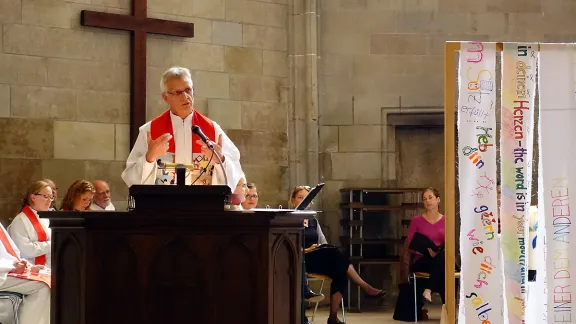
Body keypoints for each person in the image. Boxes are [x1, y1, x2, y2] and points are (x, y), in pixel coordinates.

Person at [121, 66, 243, 191]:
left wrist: (220, 160)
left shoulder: (212, 130)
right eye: (178, 92)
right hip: (162, 207)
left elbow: (235, 175)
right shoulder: (150, 131)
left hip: (202, 207)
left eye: (188, 90)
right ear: (165, 97)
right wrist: (149, 158)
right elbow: (131, 179)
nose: (185, 96)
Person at [291, 186, 386, 324]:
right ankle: (364, 287)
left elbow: (323, 242)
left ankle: (333, 317)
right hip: (302, 259)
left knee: (340, 267)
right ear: (293, 200)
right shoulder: (289, 220)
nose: (305, 202)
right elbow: (289, 247)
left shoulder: (313, 221)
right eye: (301, 198)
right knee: (339, 257)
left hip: (317, 257)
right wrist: (307, 250)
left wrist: (318, 247)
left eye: (308, 199)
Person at [0, 222, 50, 324]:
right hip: (3, 272)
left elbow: (10, 253)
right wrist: (13, 268)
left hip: (5, 270)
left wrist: (27, 266)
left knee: (48, 276)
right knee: (42, 286)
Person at [405, 187, 446, 303]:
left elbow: (450, 244)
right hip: (422, 259)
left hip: (440, 257)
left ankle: (428, 290)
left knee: (442, 258)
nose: (427, 201)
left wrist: (436, 251)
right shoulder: (416, 220)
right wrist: (427, 250)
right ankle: (445, 306)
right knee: (442, 267)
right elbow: (411, 245)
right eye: (424, 199)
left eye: (430, 198)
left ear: (438, 200)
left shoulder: (446, 220)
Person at [8, 181, 53, 269]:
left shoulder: (46, 218)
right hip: (30, 271)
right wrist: (52, 244)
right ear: (33, 197)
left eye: (51, 197)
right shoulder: (20, 221)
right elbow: (26, 250)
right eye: (45, 196)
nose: (49, 201)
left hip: (49, 269)